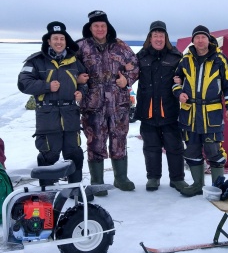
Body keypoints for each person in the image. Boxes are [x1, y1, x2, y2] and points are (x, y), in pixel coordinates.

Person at [76, 10, 139, 194]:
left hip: (118, 103)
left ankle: (121, 178)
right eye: (96, 25)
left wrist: (127, 79)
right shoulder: (81, 47)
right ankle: (97, 181)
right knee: (95, 141)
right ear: (90, 27)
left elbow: (135, 66)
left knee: (119, 139)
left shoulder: (120, 46)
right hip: (92, 104)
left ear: (107, 26)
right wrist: (78, 78)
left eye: (103, 25)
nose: (100, 29)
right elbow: (70, 68)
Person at [18, 21, 86, 186]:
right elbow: (23, 83)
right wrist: (47, 86)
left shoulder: (74, 60)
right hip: (47, 116)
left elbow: (85, 80)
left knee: (74, 152)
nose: (58, 42)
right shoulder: (36, 61)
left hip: (70, 114)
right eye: (55, 38)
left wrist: (81, 91)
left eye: (61, 38)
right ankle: (46, 190)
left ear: (65, 40)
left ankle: (75, 188)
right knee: (49, 153)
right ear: (48, 41)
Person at [172, 25, 228, 197]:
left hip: (212, 113)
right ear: (192, 40)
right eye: (197, 37)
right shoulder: (185, 60)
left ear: (209, 39)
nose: (200, 40)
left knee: (213, 150)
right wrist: (179, 93)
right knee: (192, 150)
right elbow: (175, 82)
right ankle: (197, 185)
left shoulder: (220, 59)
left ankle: (217, 186)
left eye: (203, 37)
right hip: (190, 114)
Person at [135, 21, 188, 192]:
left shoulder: (176, 56)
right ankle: (153, 178)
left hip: (170, 111)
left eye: (161, 35)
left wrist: (182, 82)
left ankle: (177, 179)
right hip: (147, 111)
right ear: (150, 38)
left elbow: (186, 78)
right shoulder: (140, 57)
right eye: (155, 35)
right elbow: (129, 75)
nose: (158, 38)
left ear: (166, 38)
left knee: (175, 146)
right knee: (151, 147)